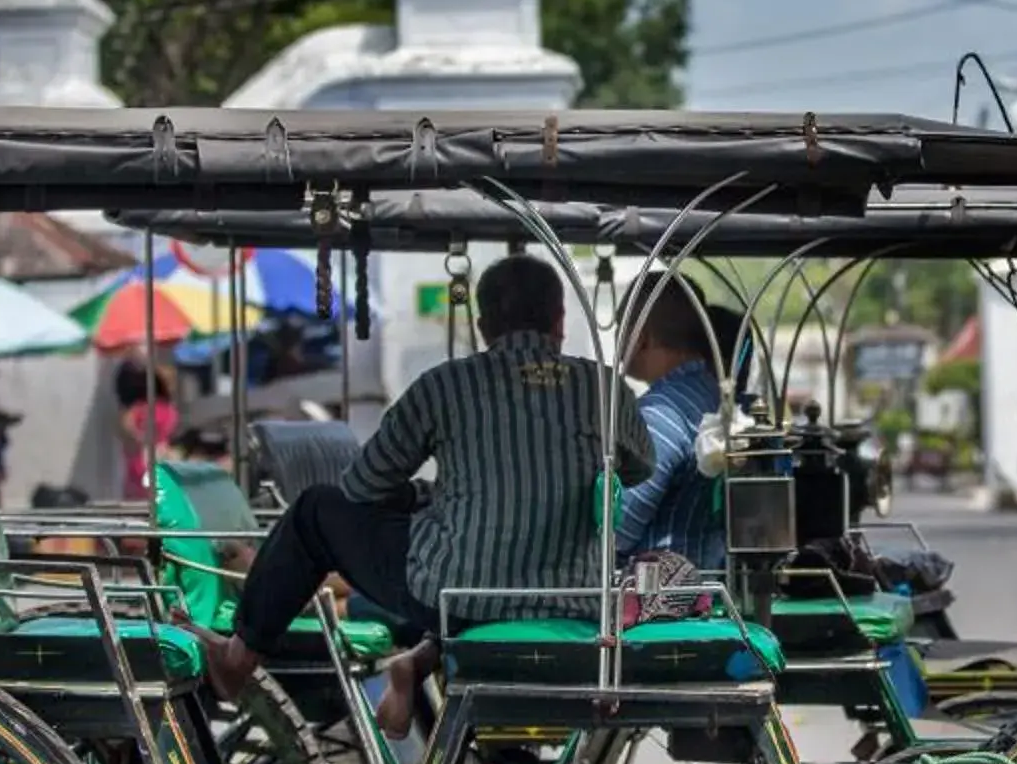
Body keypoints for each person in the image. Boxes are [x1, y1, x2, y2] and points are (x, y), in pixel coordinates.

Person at [201, 253, 648, 738]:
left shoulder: (446, 384)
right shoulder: (606, 387)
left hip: (457, 599)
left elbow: (360, 487)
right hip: (574, 598)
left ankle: (239, 654)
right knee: (454, 535)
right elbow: (641, 466)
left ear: (482, 325)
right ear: (560, 322)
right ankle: (415, 661)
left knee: (315, 510)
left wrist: (419, 495)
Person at [615, 277, 728, 572]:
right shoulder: (714, 395)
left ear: (640, 337)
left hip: (661, 601)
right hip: (709, 581)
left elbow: (616, 531)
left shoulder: (660, 414)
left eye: (620, 329)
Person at [116, 358, 179, 503]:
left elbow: (126, 425)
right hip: (151, 461)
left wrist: (138, 439)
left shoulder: (147, 406)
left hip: (144, 461)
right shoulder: (166, 410)